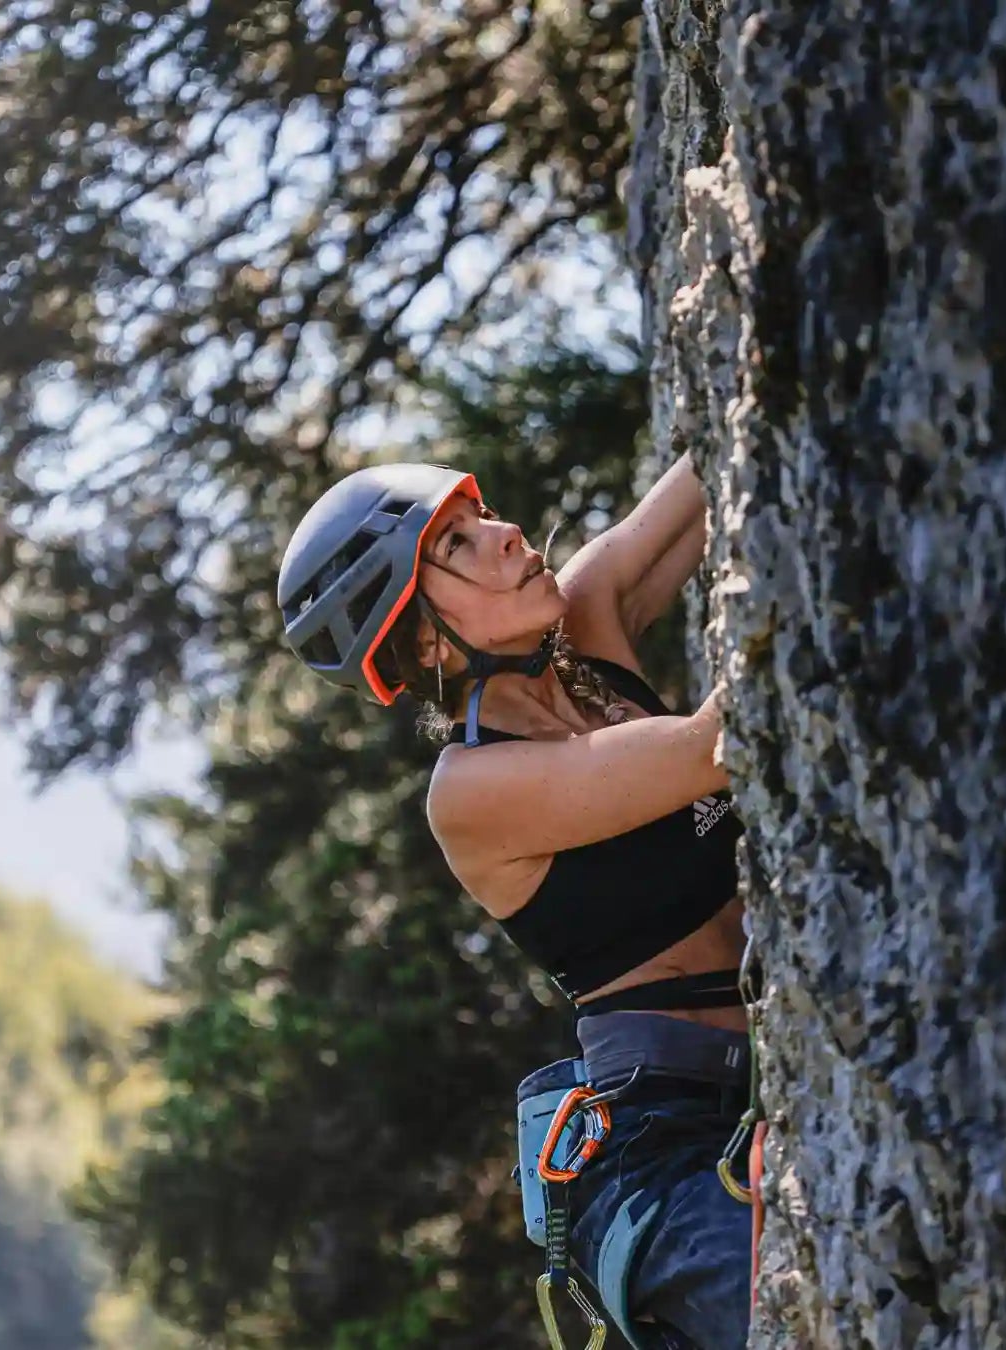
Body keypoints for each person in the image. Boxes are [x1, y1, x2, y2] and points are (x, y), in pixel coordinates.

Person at [278, 456, 752, 1348]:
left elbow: (728, 452)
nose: (506, 534)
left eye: (484, 515)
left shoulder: (588, 626)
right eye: (458, 545)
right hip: (658, 1155)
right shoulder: (473, 794)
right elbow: (720, 741)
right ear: (427, 644)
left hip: (752, 1080)